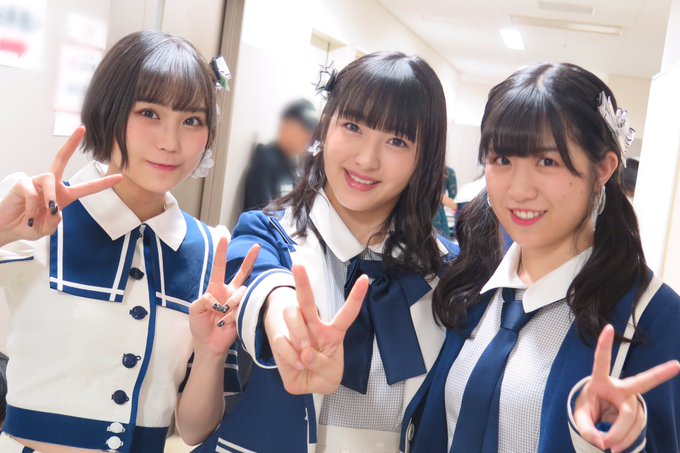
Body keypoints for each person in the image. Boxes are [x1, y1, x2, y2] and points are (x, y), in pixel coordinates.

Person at [401, 62, 680, 453]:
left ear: (603, 169)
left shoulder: (654, 317)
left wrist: (616, 443)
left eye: (547, 162)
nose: (519, 190)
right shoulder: (467, 283)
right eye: (502, 160)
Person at [0, 30, 256, 453]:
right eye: (148, 113)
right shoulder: (33, 214)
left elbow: (194, 431)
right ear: (108, 112)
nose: (170, 143)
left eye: (192, 120)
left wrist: (211, 354)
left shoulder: (209, 249)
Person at [194, 51, 456, 453]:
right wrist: (289, 330)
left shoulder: (448, 272)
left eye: (397, 141)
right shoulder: (266, 234)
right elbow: (270, 289)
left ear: (425, 158)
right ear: (326, 125)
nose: (366, 159)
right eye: (353, 126)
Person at [242, 99, 319, 211]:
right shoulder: (266, 162)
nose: (308, 136)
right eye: (304, 129)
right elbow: (263, 215)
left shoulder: (293, 165)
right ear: (285, 126)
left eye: (311, 131)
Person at [433, 165, 457, 238]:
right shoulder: (413, 169)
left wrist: (436, 195)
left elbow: (455, 205)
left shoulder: (448, 172)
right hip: (413, 220)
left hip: (439, 223)